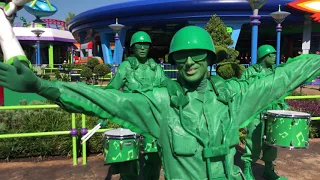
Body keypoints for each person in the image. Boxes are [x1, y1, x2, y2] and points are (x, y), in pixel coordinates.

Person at [1, 26, 320, 180]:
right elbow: (105, 99)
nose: (190, 62)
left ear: (209, 59)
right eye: (182, 57)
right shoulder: (160, 103)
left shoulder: (233, 96)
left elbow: (283, 78)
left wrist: (316, 60)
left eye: (197, 55)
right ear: (175, 61)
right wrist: (43, 85)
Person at [104, 31, 166, 180]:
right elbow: (112, 89)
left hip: (152, 120)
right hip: (130, 119)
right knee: (129, 157)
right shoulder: (126, 66)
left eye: (146, 45)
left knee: (154, 158)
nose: (143, 48)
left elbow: (166, 88)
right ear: (133, 47)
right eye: (139, 45)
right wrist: (104, 110)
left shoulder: (156, 68)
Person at [240, 45, 289, 180]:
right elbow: (243, 92)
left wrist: (282, 104)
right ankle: (247, 168)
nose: (275, 58)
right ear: (264, 56)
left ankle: (268, 169)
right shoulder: (249, 72)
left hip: (272, 112)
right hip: (255, 112)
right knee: (253, 142)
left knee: (272, 142)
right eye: (272, 55)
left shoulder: (275, 72)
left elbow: (280, 90)